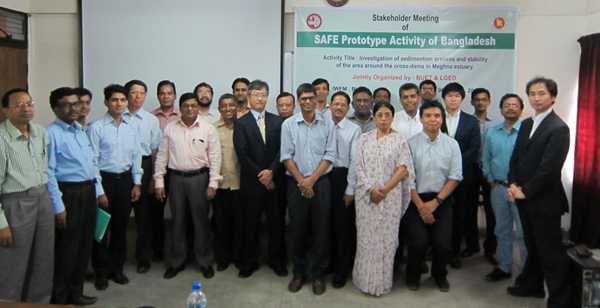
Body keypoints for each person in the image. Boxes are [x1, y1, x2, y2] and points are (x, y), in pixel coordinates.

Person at [507, 77, 571, 307]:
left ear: (552, 97)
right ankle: (532, 286)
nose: (536, 98)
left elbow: (550, 168)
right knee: (532, 245)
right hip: (524, 196)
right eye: (532, 93)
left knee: (550, 252)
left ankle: (561, 299)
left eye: (541, 93)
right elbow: (515, 158)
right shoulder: (526, 124)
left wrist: (527, 191)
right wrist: (513, 184)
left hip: (544, 200)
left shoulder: (559, 128)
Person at [155, 92, 222, 280]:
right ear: (180, 107)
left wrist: (213, 184)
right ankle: (177, 261)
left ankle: (205, 261)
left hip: (200, 179)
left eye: (194, 105)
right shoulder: (170, 128)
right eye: (186, 106)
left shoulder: (208, 129)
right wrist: (159, 181)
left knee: (201, 222)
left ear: (198, 107)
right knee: (177, 221)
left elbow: (216, 158)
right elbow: (162, 156)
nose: (190, 109)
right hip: (176, 179)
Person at [352, 101, 414, 296]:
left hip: (390, 198)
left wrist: (384, 190)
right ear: (374, 117)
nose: (384, 119)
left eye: (388, 115)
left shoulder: (400, 140)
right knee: (366, 241)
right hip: (366, 197)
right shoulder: (364, 139)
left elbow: (403, 168)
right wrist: (371, 189)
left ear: (392, 117)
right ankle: (364, 281)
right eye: (380, 115)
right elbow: (358, 167)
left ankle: (382, 283)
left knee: (387, 241)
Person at [46, 87, 101, 306]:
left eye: (76, 104)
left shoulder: (80, 130)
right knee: (66, 248)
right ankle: (59, 297)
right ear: (55, 108)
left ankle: (76, 293)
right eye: (66, 105)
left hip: (87, 191)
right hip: (68, 193)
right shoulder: (50, 133)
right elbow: (48, 172)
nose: (73, 108)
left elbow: (90, 164)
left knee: (84, 245)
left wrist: (97, 191)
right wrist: (58, 206)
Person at [281, 83, 336, 296]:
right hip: (296, 184)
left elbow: (330, 155)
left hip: (320, 183)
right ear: (298, 101)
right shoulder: (289, 125)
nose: (307, 102)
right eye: (303, 98)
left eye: (310, 98)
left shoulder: (327, 123)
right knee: (297, 230)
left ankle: (319, 274)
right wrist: (302, 182)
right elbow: (286, 155)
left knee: (322, 230)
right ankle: (299, 272)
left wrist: (311, 180)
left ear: (317, 99)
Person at [0, 89, 54, 303]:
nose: (26, 108)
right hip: (16, 202)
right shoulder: (2, 139)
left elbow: (46, 168)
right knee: (14, 260)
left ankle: (39, 303)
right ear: (5, 111)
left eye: (29, 103)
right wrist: (1, 224)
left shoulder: (40, 132)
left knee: (43, 258)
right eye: (19, 105)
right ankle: (8, 302)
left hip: (42, 197)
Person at [87, 84, 142, 291]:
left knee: (120, 227)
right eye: (114, 100)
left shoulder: (131, 127)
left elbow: (136, 156)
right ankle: (100, 273)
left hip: (126, 181)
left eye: (122, 100)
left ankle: (116, 269)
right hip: (105, 181)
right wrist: (99, 190)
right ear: (106, 102)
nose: (119, 104)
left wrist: (137, 183)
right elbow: (92, 161)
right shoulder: (97, 128)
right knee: (101, 229)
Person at [405, 100, 462, 292]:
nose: (433, 119)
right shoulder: (410, 144)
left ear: (442, 119)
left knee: (443, 245)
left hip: (442, 200)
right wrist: (422, 206)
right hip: (416, 200)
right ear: (421, 118)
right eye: (428, 115)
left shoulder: (452, 144)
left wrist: (436, 203)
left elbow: (455, 177)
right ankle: (412, 275)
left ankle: (439, 275)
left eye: (437, 116)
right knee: (418, 242)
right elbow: (407, 179)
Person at [233, 79, 287, 278]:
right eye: (255, 95)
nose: (260, 98)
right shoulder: (241, 123)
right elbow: (242, 154)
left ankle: (277, 261)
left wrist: (271, 172)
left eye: (263, 95)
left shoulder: (277, 121)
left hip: (275, 184)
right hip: (252, 184)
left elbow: (282, 150)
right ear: (248, 97)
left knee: (277, 225)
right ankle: (250, 262)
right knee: (251, 225)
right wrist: (262, 176)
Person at [482, 93, 527, 282]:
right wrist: (491, 180)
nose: (510, 108)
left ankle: (525, 270)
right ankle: (504, 266)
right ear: (500, 109)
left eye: (515, 105)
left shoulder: (527, 131)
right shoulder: (492, 132)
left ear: (521, 109)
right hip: (499, 188)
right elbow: (486, 157)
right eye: (507, 105)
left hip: (520, 190)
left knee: (523, 232)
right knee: (502, 229)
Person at [123, 80, 162, 274]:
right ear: (126, 95)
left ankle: (143, 257)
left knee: (144, 216)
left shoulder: (151, 120)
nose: (138, 96)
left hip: (145, 165)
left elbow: (155, 149)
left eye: (142, 93)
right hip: (121, 168)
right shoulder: (117, 118)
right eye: (134, 92)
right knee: (120, 215)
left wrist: (155, 177)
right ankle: (118, 256)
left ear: (146, 96)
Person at [440, 82, 480, 269]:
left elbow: (474, 148)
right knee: (440, 212)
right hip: (439, 175)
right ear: (444, 98)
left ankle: (454, 252)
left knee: (458, 214)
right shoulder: (435, 118)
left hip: (463, 177)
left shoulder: (471, 121)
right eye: (449, 96)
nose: (453, 99)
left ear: (462, 99)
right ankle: (438, 250)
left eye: (457, 96)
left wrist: (455, 164)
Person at [463, 88, 502, 265]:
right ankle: (472, 245)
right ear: (471, 102)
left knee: (491, 210)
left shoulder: (497, 122)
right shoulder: (467, 122)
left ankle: (490, 247)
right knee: (469, 209)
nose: (480, 103)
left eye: (484, 99)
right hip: (471, 168)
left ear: (489, 101)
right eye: (477, 100)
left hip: (491, 171)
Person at [328, 91, 362, 289]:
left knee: (343, 227)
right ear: (330, 106)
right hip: (323, 177)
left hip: (343, 178)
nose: (339, 107)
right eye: (336, 103)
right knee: (325, 225)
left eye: (343, 104)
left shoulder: (354, 129)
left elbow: (355, 161)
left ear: (348, 108)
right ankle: (329, 263)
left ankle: (342, 269)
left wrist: (350, 189)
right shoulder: (322, 123)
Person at [149, 80, 180, 262]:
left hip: (177, 170)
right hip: (157, 169)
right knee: (156, 214)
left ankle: (182, 249)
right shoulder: (151, 118)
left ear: (175, 95)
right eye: (162, 93)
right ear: (158, 96)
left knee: (181, 213)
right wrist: (154, 177)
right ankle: (157, 250)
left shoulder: (183, 116)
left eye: (169, 93)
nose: (166, 96)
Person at [212, 94, 243, 272]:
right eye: (224, 106)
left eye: (232, 105)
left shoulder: (245, 126)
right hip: (221, 183)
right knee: (221, 224)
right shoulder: (212, 129)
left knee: (240, 224)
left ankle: (238, 256)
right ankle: (223, 258)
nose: (228, 108)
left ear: (237, 107)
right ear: (219, 109)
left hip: (241, 183)